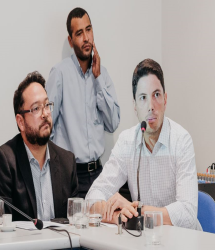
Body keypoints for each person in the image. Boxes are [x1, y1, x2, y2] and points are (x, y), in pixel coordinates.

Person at [86, 59, 202, 230]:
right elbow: (92, 198)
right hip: (146, 242)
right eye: (143, 98)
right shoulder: (127, 142)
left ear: (165, 99)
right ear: (134, 105)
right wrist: (119, 214)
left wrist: (138, 211)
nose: (151, 106)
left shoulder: (181, 140)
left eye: (156, 95)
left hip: (183, 242)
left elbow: (188, 213)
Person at [46, 7, 120, 198]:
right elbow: (47, 126)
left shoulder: (103, 75)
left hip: (98, 173)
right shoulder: (60, 73)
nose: (86, 38)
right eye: (79, 33)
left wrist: (98, 80)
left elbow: (112, 123)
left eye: (89, 29)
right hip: (69, 175)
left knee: (103, 227)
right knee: (72, 227)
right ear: (71, 41)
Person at [0, 71, 78, 221]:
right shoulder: (5, 161)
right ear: (20, 122)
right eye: (36, 108)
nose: (45, 114)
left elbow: (75, 222)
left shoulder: (67, 161)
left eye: (47, 105)